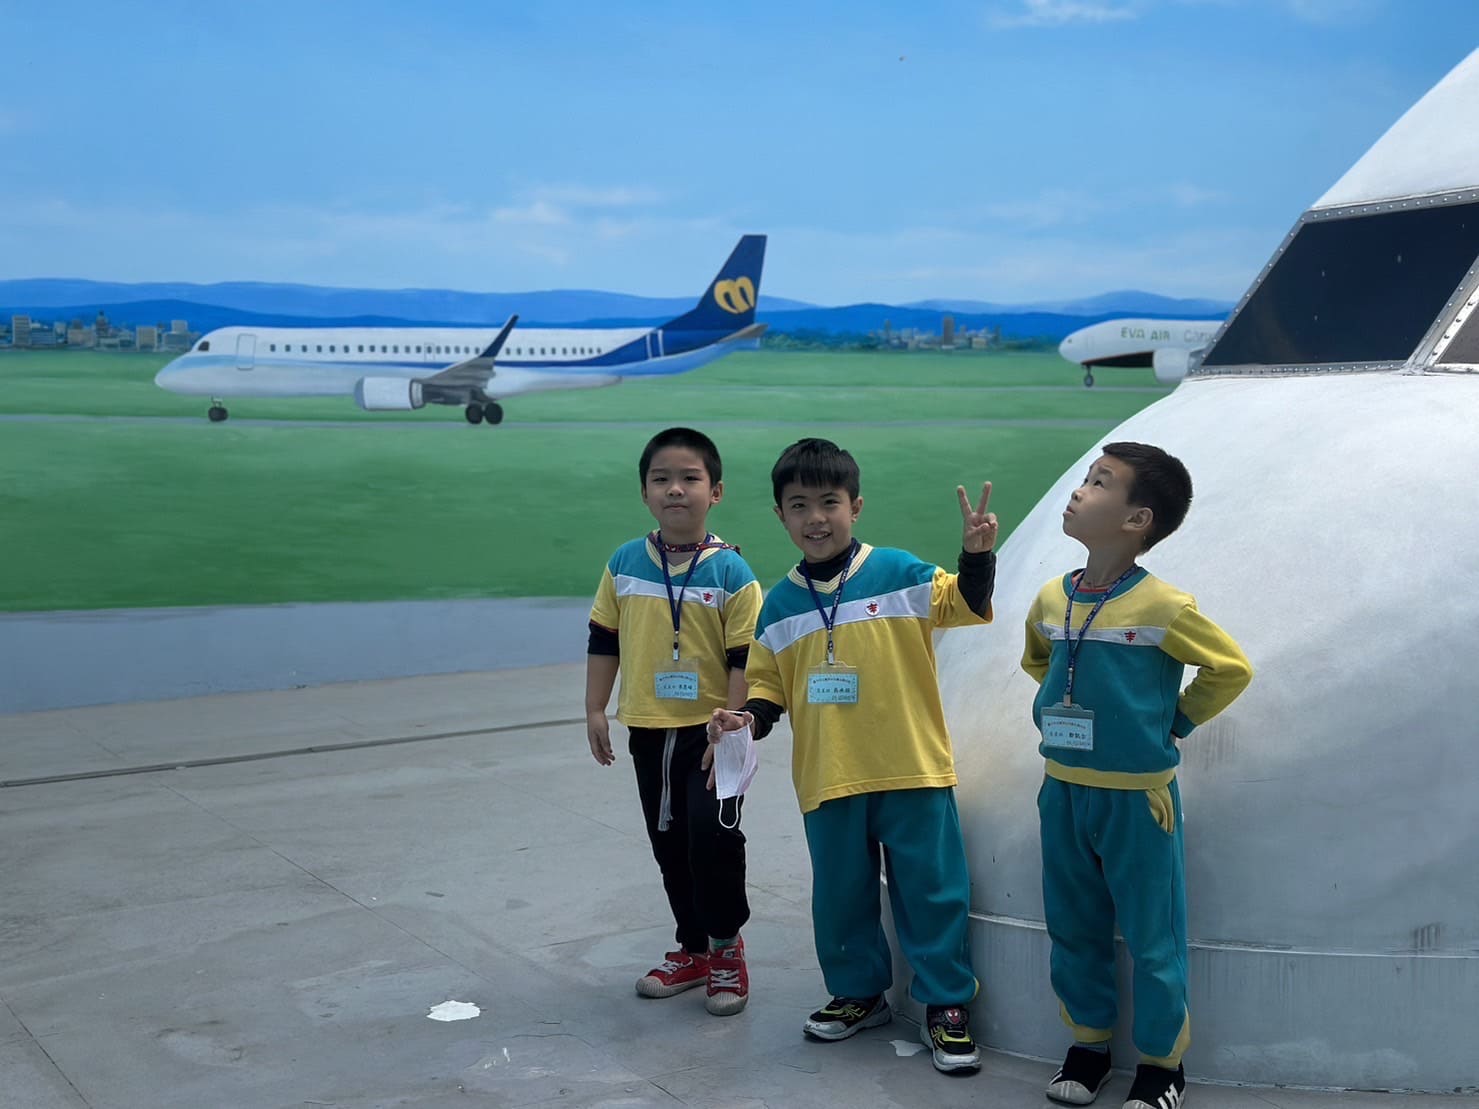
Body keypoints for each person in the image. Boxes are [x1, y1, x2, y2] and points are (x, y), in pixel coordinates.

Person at [708, 437, 997, 1074]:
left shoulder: (898, 572)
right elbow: (768, 690)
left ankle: (946, 1005)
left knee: (933, 891)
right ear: (780, 515)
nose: (816, 518)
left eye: (829, 503)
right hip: (829, 775)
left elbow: (965, 605)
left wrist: (976, 556)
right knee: (841, 897)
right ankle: (859, 994)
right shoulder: (778, 606)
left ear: (855, 506)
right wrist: (744, 719)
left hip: (912, 766)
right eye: (799, 505)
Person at [1023, 442, 1253, 1109]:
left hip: (1138, 800)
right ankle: (1088, 1044)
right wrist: (1064, 705)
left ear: (1136, 519)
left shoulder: (1162, 607)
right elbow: (1039, 660)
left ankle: (1161, 1064)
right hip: (1061, 788)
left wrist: (1172, 721)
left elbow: (1229, 668)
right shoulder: (1051, 597)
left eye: (1100, 482)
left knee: (1153, 934)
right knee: (1073, 924)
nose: (1079, 490)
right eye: (1085, 477)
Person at [586, 427, 763, 1016]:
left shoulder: (731, 572)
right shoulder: (624, 563)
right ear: (644, 493)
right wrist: (595, 708)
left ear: (716, 491)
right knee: (669, 844)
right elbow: (603, 638)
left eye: (690, 478)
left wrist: (732, 726)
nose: (675, 489)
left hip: (713, 736)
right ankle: (693, 949)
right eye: (661, 479)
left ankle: (726, 947)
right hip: (648, 730)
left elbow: (744, 658)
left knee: (713, 840)